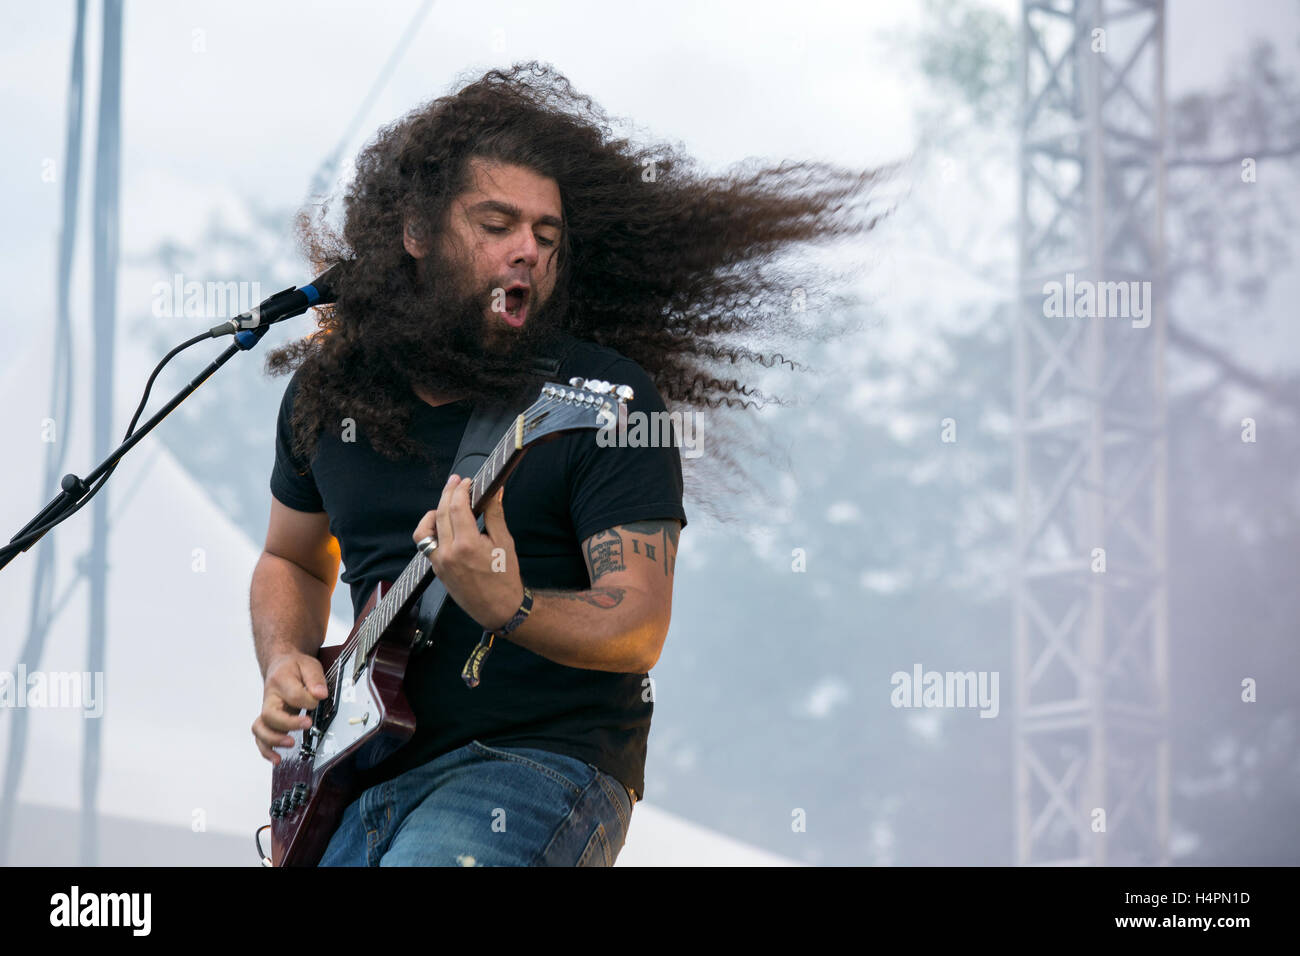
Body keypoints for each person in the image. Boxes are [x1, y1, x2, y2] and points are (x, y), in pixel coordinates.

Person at [248, 62, 891, 866]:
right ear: (415, 231)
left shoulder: (607, 398)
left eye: (546, 236)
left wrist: (510, 604)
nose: (527, 251)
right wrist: (286, 661)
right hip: (357, 776)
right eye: (497, 224)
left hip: (532, 762)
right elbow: (290, 559)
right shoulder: (331, 391)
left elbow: (637, 626)